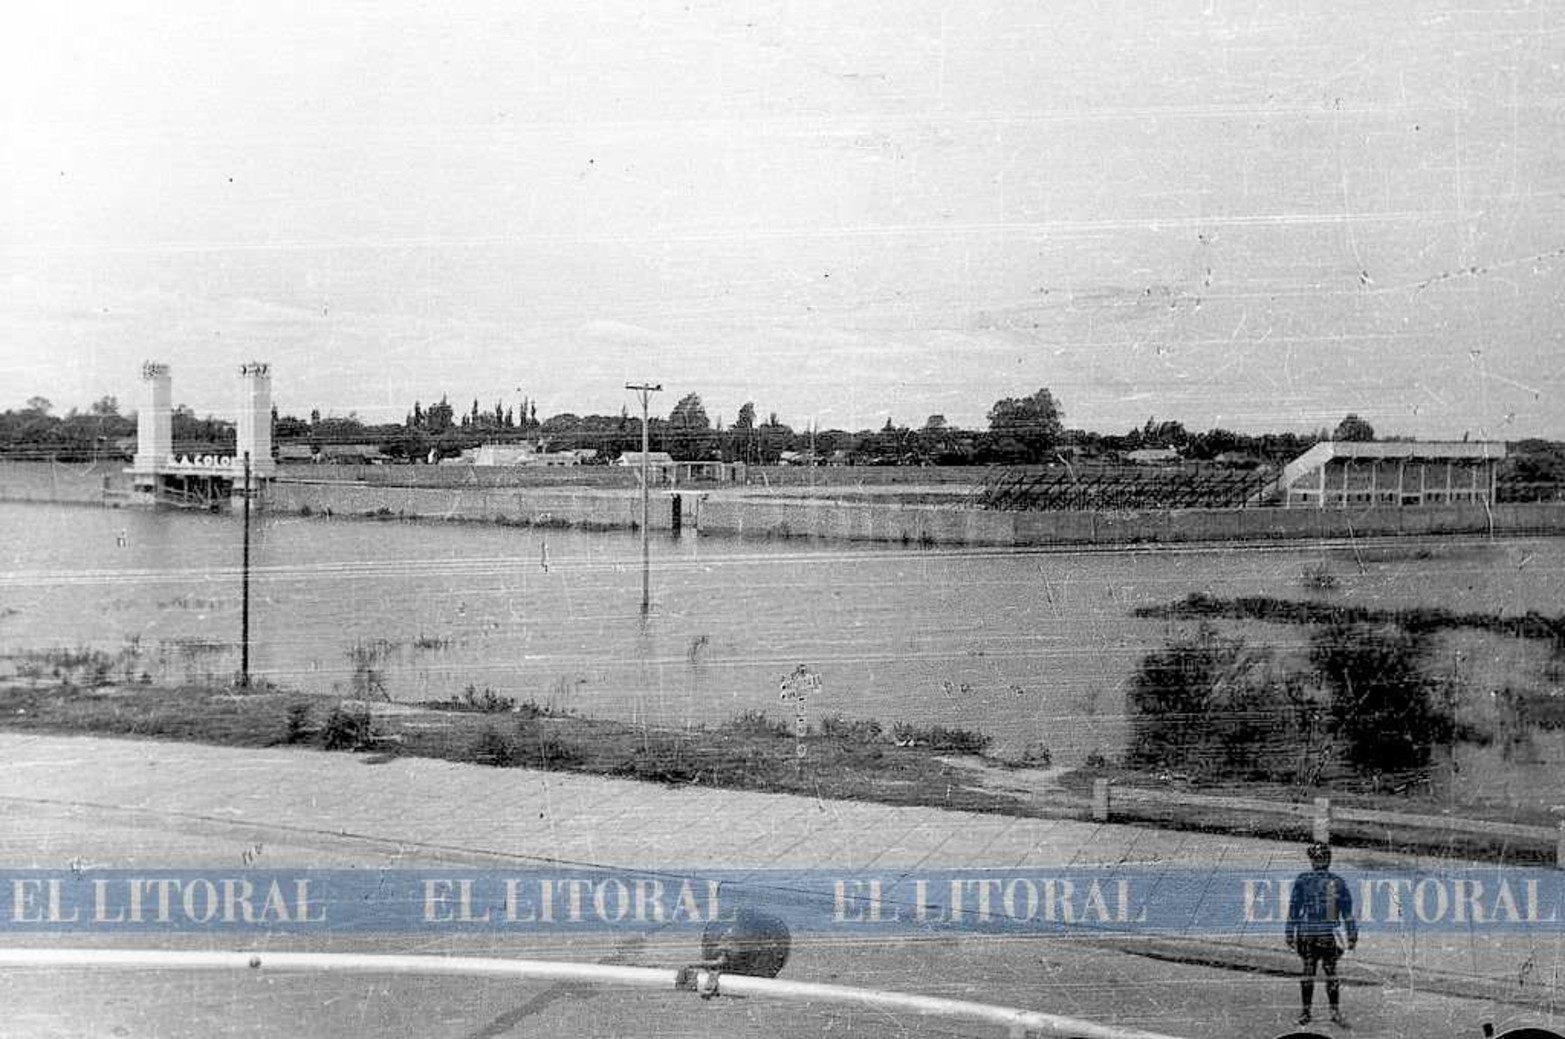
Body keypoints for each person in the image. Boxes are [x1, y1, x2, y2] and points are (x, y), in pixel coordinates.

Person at [1285, 842, 1357, 1027]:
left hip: (1307, 933)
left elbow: (1294, 909)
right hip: (1326, 935)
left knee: (1308, 972)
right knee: (1330, 972)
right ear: (1328, 860)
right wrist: (1351, 934)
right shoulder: (1338, 882)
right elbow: (1347, 913)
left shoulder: (1303, 880)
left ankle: (1306, 1012)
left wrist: (1289, 932)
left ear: (1312, 861)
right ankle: (1334, 1011)